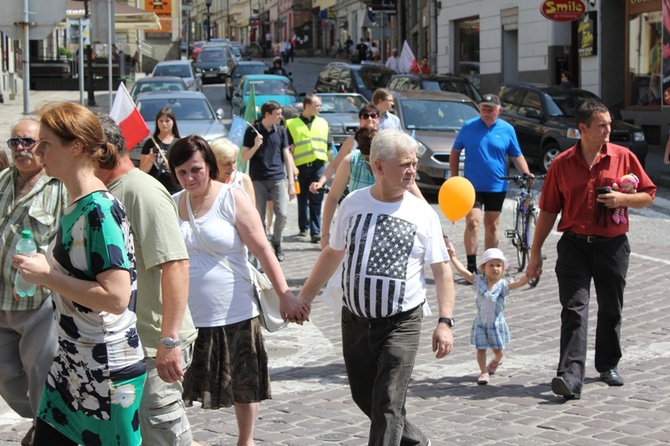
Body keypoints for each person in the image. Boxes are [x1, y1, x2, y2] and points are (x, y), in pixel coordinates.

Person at [297, 129, 456, 446]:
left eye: (414, 163)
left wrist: (444, 321)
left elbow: (442, 270)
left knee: (387, 403)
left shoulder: (423, 214)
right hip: (354, 322)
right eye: (404, 164)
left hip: (401, 323)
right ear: (379, 166)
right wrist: (304, 297)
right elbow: (333, 253)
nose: (412, 171)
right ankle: (415, 441)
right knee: (365, 396)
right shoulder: (353, 204)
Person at [166, 135, 309, 446]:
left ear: (209, 165)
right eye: (182, 172)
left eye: (196, 169)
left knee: (244, 383)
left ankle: (246, 441)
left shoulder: (232, 197)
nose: (190, 178)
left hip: (235, 307)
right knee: (180, 382)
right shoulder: (174, 202)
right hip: (190, 313)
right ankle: (184, 439)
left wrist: (285, 294)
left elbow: (263, 248)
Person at [16, 102, 145, 446]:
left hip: (106, 369)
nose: (37, 151)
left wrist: (46, 276)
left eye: (45, 143)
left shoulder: (99, 211)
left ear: (75, 147)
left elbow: (117, 298)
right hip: (73, 362)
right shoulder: (77, 203)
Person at [527, 100, 656, 400]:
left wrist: (622, 200)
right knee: (574, 309)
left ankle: (608, 364)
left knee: (611, 307)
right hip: (574, 246)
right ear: (582, 129)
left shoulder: (623, 157)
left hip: (613, 246)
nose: (609, 129)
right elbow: (548, 210)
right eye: (602, 125)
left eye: (609, 124)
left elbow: (648, 195)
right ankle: (570, 377)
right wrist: (535, 253)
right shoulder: (561, 164)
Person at [95, 113, 199, 446]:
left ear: (103, 151)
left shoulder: (141, 191)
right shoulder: (104, 191)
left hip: (153, 348)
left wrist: (168, 342)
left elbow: (177, 265)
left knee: (161, 434)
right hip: (122, 346)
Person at [0, 116, 66, 446]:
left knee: (42, 376)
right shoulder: (1, 182)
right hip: (1, 299)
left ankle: (47, 434)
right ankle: (42, 420)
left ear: (41, 147)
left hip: (39, 302)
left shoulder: (59, 188)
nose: (21, 148)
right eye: (15, 142)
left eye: (28, 142)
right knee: (7, 377)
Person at [449, 93, 533, 274]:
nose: (486, 112)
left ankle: (489, 263)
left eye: (491, 109)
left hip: (497, 185)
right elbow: (455, 151)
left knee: (492, 224)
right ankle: (471, 266)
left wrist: (526, 173)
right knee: (472, 221)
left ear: (499, 111)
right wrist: (455, 177)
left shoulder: (507, 129)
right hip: (471, 186)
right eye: (483, 108)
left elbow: (516, 155)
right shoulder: (468, 126)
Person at [447, 246, 530, 385]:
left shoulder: (503, 285)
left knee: (499, 351)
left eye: (498, 265)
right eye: (491, 265)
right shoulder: (479, 282)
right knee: (481, 349)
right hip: (481, 323)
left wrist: (528, 276)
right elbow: (463, 272)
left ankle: (497, 360)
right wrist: (453, 257)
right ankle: (484, 372)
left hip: (495, 324)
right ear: (484, 267)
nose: (495, 268)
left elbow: (519, 283)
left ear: (503, 268)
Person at [241, 101, 296, 261]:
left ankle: (276, 241)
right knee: (258, 216)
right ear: (267, 115)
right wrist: (256, 146)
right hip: (258, 179)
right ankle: (262, 246)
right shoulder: (252, 131)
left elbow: (287, 155)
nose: (280, 117)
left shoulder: (281, 131)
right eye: (277, 114)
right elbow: (244, 157)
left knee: (283, 214)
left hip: (278, 177)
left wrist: (291, 183)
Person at [309, 104, 380, 196]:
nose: (370, 119)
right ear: (360, 119)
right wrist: (321, 182)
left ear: (378, 119)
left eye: (373, 116)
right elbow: (334, 165)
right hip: (355, 191)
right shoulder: (351, 141)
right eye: (366, 116)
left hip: (378, 190)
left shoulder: (383, 140)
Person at [286, 94, 329, 243]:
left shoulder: (323, 123)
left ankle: (315, 231)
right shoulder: (291, 124)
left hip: (318, 165)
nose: (320, 108)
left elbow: (329, 145)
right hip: (300, 166)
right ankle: (303, 227)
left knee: (316, 198)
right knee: (302, 198)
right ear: (307, 106)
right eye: (317, 105)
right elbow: (288, 148)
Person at [141, 107, 182, 193]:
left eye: (167, 121)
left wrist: (172, 168)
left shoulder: (179, 143)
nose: (164, 124)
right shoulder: (150, 143)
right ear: (157, 122)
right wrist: (150, 160)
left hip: (175, 189)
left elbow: (185, 168)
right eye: (161, 121)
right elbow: (143, 170)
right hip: (155, 188)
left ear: (173, 122)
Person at [210, 137, 256, 204]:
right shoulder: (205, 183)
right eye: (227, 164)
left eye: (234, 162)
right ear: (213, 162)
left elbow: (253, 212)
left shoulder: (243, 180)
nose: (232, 168)